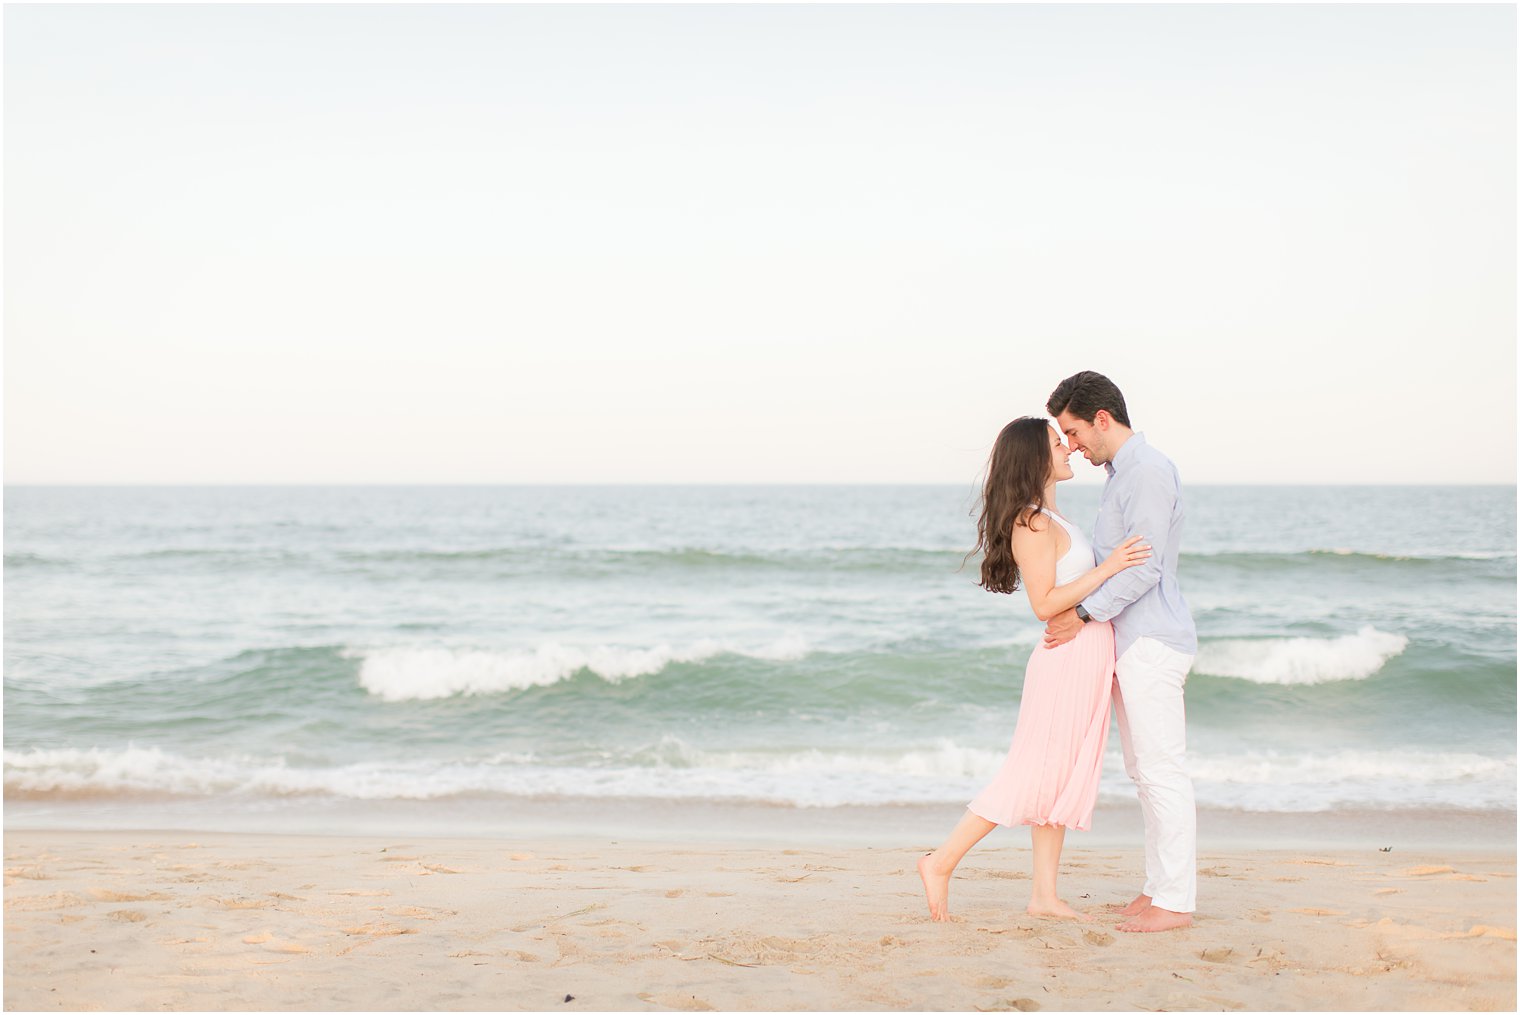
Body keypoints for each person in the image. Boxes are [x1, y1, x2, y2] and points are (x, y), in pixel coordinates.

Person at [917, 416, 1151, 922]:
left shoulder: (1052, 515)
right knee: (1031, 774)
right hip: (1065, 662)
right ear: (1033, 459)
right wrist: (1109, 568)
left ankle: (1044, 896)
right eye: (1056, 442)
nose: (1068, 447)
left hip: (1083, 657)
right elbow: (1043, 604)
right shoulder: (1032, 522)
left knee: (1057, 779)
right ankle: (940, 862)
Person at [1043, 370, 1197, 934]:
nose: (1073, 446)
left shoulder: (1149, 472)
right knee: (1144, 772)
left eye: (1074, 432)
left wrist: (1081, 614)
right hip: (1132, 640)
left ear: (1101, 418)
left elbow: (1146, 567)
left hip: (1152, 639)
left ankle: (1176, 902)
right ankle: (1157, 888)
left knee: (1162, 772)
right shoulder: (1121, 475)